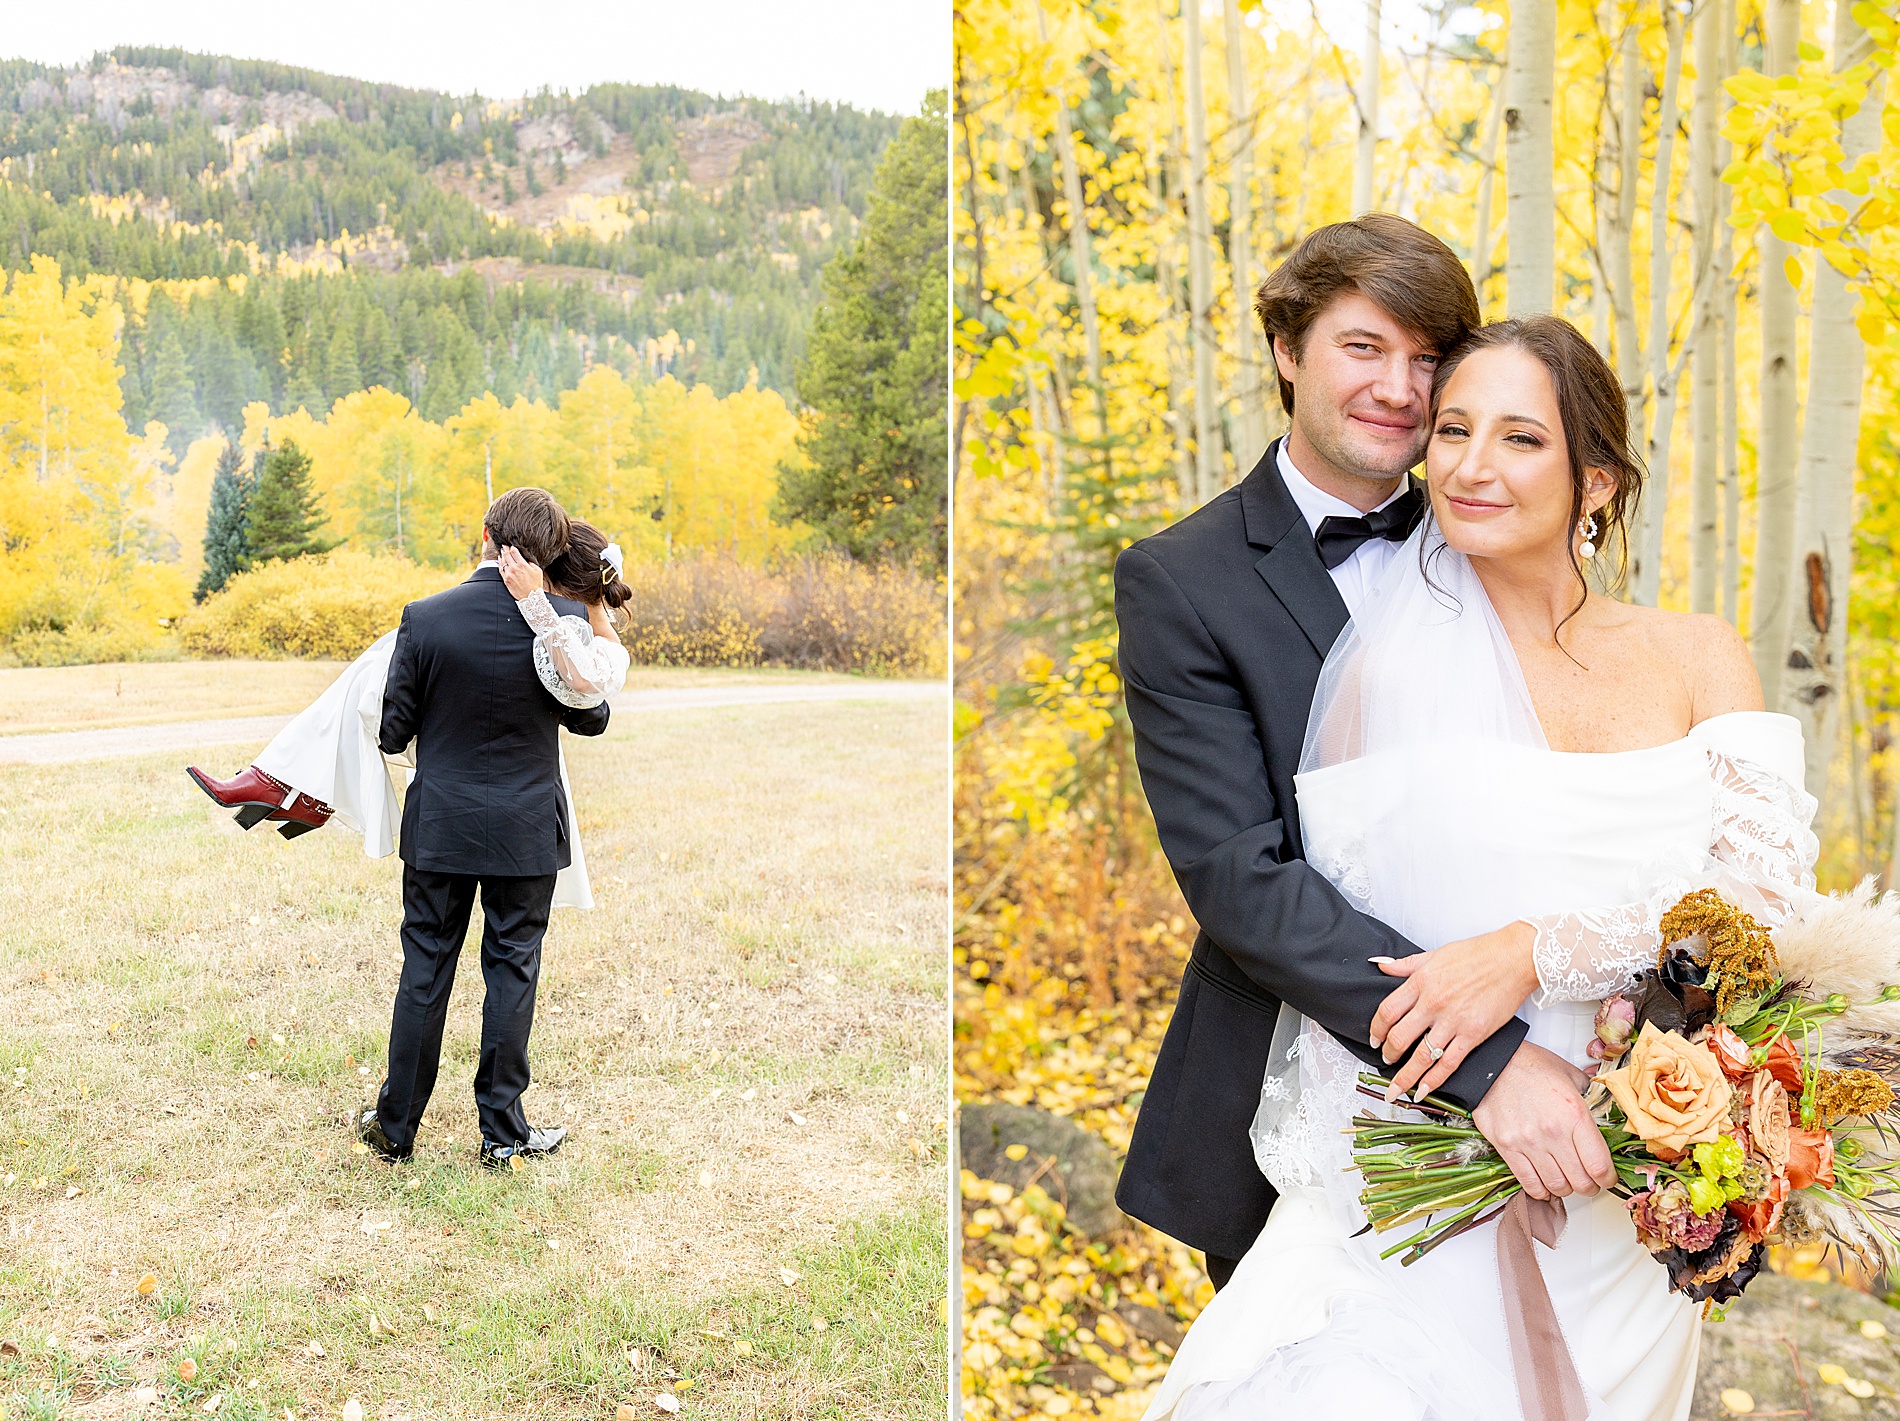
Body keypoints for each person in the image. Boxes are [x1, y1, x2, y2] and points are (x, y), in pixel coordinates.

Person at [1136, 315, 1817, 1418]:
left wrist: (1532, 950)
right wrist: (1475, 1089)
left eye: (1518, 438)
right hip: (1421, 1185)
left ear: (1595, 479)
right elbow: (1334, 943)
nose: (1466, 464)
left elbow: (1770, 899)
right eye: (1451, 429)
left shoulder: (1697, 654)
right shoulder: (1374, 684)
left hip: (1633, 1194)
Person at [1113, 215, 1569, 1294]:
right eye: (1363, 347)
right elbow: (1240, 879)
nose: (1399, 391)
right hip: (1305, 1092)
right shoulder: (1181, 579)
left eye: (1426, 361)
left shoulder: (1497, 531)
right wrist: (1487, 1057)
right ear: (1287, 349)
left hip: (1555, 1068)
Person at [184, 515, 631, 911]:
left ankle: (293, 785)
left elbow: (589, 706)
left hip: (451, 816)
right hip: (525, 820)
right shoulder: (558, 625)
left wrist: (543, 611)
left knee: (383, 662)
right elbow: (592, 717)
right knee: (378, 663)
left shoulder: (563, 630)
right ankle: (286, 780)